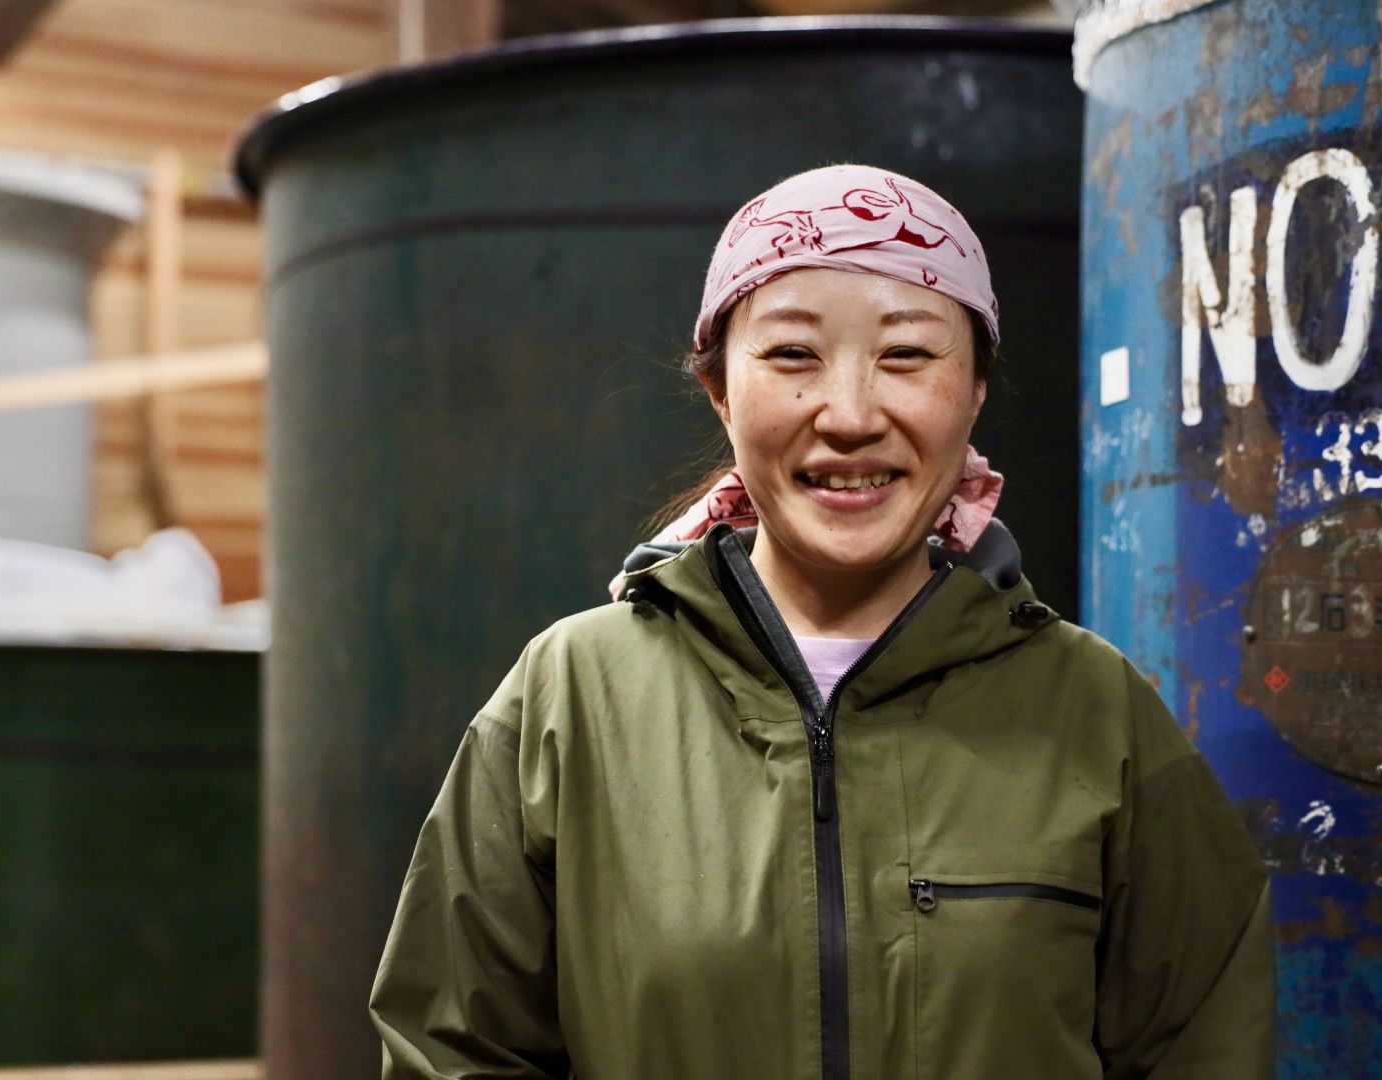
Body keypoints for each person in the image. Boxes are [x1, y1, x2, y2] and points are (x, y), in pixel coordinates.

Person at [369, 164, 1274, 1079]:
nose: (849, 415)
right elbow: (453, 1048)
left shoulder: (1093, 709)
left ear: (974, 393)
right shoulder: (570, 699)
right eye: (794, 356)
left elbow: (1203, 1045)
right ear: (722, 392)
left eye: (908, 356)